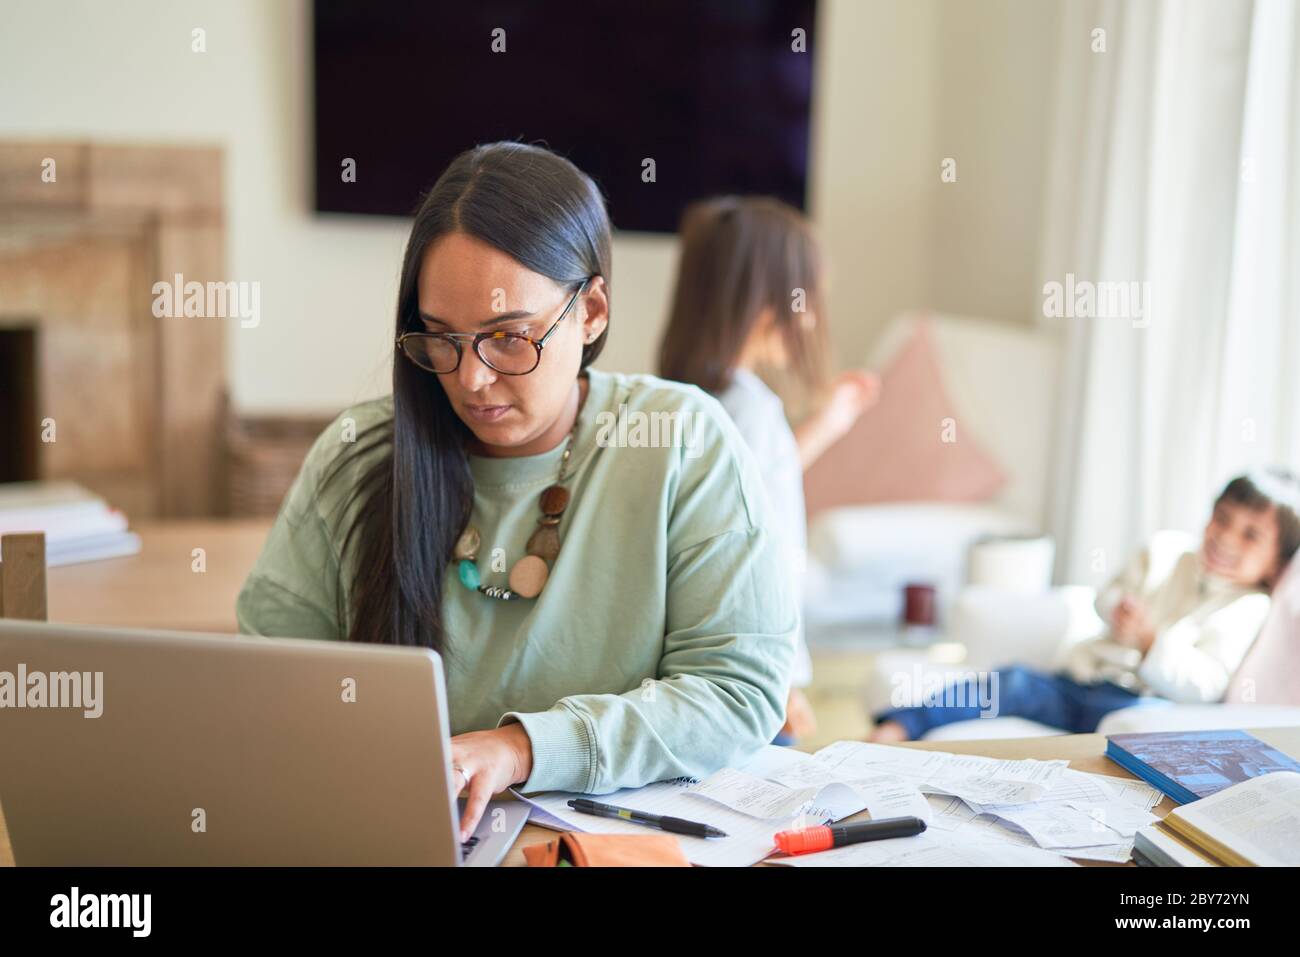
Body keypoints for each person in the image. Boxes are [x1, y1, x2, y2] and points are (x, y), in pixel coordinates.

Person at [236, 143, 797, 841]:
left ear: (591, 311)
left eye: (508, 338)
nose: (470, 379)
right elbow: (271, 679)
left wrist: (520, 749)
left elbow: (737, 692)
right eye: (441, 338)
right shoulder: (360, 454)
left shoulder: (682, 442)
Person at [658, 196, 880, 744]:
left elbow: (753, 486)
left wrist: (826, 425)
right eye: (802, 298)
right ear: (762, 303)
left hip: (714, 671)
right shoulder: (751, 409)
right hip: (753, 676)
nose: (807, 316)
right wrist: (778, 681)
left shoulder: (692, 400)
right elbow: (745, 556)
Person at [869, 469, 1300, 741]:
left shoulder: (1248, 608)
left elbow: (1206, 684)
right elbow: (1106, 594)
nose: (1225, 538)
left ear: (1275, 563)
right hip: (1080, 682)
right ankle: (903, 723)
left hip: (1137, 703)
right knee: (1014, 681)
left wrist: (1151, 642)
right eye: (1222, 519)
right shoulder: (1167, 551)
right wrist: (1117, 609)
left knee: (1141, 728)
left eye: (1250, 535)